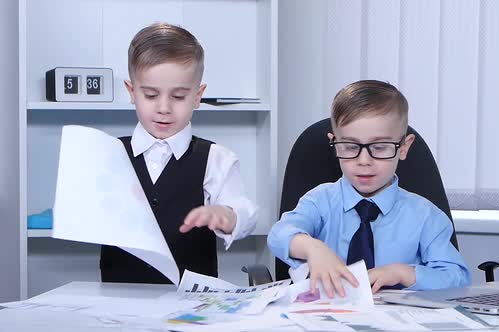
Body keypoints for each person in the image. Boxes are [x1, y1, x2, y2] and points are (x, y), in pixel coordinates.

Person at [267, 80, 470, 297]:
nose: (364, 160)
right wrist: (313, 248)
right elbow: (279, 235)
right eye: (351, 147)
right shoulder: (320, 201)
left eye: (380, 147)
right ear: (334, 143)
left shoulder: (425, 216)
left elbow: (457, 277)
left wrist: (404, 273)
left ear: (404, 147)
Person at [100, 23, 257, 284]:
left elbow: (244, 211)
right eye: (150, 95)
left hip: (194, 305)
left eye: (179, 96)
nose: (164, 108)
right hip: (120, 303)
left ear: (198, 95)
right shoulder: (109, 153)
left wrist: (228, 215)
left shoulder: (217, 159)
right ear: (132, 92)